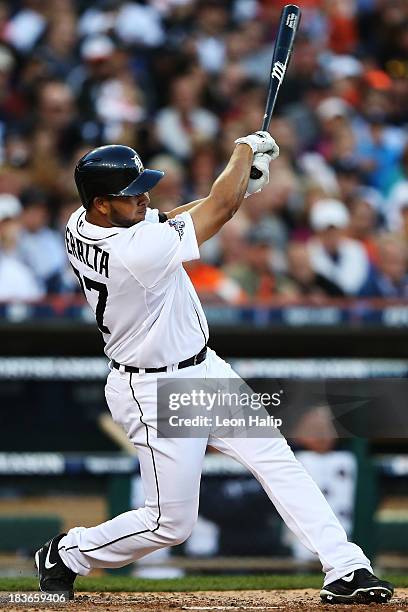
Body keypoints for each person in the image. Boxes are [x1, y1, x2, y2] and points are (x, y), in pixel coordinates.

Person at [35, 136, 393, 605]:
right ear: (101, 204)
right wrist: (243, 153)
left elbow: (170, 219)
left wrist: (240, 188)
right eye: (130, 194)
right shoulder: (133, 253)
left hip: (202, 369)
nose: (143, 198)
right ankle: (67, 553)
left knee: (276, 458)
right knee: (170, 524)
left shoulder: (81, 221)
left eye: (142, 189)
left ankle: (346, 565)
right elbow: (212, 213)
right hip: (155, 387)